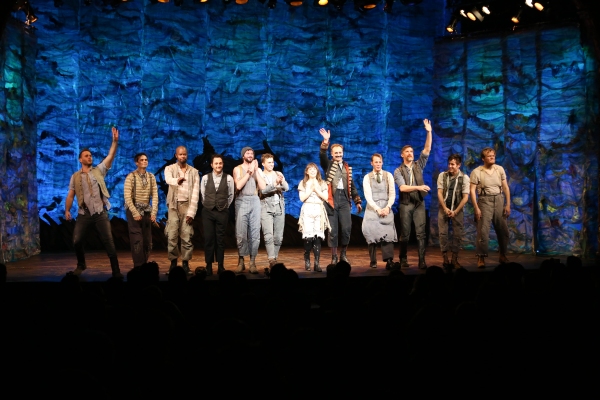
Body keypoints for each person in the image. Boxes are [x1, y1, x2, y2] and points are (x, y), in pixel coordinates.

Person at [64, 126, 122, 278]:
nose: (89, 157)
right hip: (84, 213)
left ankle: (116, 271)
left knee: (109, 241)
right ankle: (81, 264)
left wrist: (115, 141)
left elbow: (110, 155)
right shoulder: (75, 176)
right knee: (76, 240)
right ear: (80, 159)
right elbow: (71, 195)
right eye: (86, 156)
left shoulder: (99, 170)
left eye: (90, 155)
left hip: (99, 212)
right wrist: (67, 210)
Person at [318, 128, 362, 265]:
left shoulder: (347, 167)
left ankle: (343, 254)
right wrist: (325, 141)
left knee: (347, 228)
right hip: (332, 199)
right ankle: (334, 256)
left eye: (340, 152)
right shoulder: (328, 164)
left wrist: (357, 201)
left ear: (343, 153)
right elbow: (322, 156)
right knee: (333, 230)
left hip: (344, 200)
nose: (338, 154)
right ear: (332, 154)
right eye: (335, 152)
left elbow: (352, 186)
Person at [393, 119, 433, 269]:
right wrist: (419, 187)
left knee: (421, 233)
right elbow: (403, 188)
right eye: (407, 152)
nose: (410, 153)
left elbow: (427, 149)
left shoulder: (418, 165)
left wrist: (429, 131)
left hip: (418, 203)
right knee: (405, 234)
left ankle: (422, 260)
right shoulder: (398, 170)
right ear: (402, 154)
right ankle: (403, 259)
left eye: (411, 151)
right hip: (405, 204)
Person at [469, 147, 511, 268]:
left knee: (503, 230)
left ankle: (503, 255)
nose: (492, 157)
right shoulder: (477, 172)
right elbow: (472, 191)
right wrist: (476, 208)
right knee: (483, 231)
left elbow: (506, 187)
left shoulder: (499, 169)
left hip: (498, 199)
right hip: (484, 201)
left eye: (493, 155)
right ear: (483, 158)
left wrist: (507, 204)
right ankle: (481, 257)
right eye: (489, 156)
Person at [165, 146, 200, 275]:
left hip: (187, 205)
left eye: (184, 154)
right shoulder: (170, 168)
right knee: (172, 235)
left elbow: (196, 193)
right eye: (180, 154)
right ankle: (173, 263)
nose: (182, 156)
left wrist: (192, 212)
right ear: (176, 156)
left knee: (187, 236)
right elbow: (168, 179)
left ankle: (185, 263)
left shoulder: (194, 172)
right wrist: (176, 180)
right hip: (174, 206)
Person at [200, 154, 234, 276]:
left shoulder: (229, 178)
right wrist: (208, 205)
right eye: (216, 163)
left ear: (222, 164)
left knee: (220, 240)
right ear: (212, 165)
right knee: (209, 239)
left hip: (222, 212)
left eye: (220, 163)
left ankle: (220, 265)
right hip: (208, 211)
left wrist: (224, 206)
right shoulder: (205, 178)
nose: (218, 165)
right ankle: (208, 265)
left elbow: (231, 195)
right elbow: (203, 195)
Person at [362, 153, 397, 270]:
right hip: (373, 208)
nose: (378, 164)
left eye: (379, 162)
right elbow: (368, 196)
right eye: (375, 162)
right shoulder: (367, 177)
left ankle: (389, 260)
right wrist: (377, 209)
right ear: (371, 163)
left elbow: (392, 193)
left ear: (382, 162)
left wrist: (387, 207)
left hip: (386, 207)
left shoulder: (388, 176)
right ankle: (373, 260)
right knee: (371, 233)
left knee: (388, 233)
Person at [124, 152, 159, 268]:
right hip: (134, 209)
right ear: (136, 162)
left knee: (147, 240)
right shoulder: (131, 176)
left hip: (146, 210)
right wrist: (134, 212)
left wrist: (153, 213)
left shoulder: (151, 177)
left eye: (146, 160)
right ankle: (138, 265)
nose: (144, 161)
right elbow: (127, 197)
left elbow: (155, 196)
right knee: (137, 239)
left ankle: (144, 263)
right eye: (142, 160)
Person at [255, 153, 289, 267]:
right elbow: (263, 190)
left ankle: (274, 258)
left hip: (279, 207)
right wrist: (275, 185)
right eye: (268, 162)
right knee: (268, 235)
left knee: (278, 237)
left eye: (272, 162)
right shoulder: (261, 175)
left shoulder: (278, 173)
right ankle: (271, 259)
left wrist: (281, 181)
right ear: (263, 163)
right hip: (266, 207)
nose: (271, 164)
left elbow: (286, 188)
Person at [437, 153, 470, 269]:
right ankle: (445, 258)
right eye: (449, 164)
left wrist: (455, 211)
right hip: (444, 208)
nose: (450, 166)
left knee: (457, 234)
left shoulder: (464, 178)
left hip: (457, 209)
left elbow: (465, 197)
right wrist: (445, 208)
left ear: (459, 165)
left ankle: (454, 258)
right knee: (443, 234)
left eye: (453, 164)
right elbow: (440, 192)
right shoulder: (443, 175)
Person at [298, 163, 330, 272]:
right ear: (306, 172)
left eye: (314, 169)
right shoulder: (303, 183)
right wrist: (310, 190)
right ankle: (307, 258)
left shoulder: (322, 183)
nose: (312, 171)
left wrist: (317, 190)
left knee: (317, 237)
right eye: (310, 169)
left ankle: (317, 263)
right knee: (309, 237)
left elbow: (325, 197)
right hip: (308, 209)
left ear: (317, 171)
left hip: (319, 210)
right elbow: (302, 198)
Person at [234, 147, 261, 274]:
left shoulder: (257, 170)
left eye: (252, 153)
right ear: (243, 156)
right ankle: (241, 261)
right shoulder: (237, 169)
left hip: (255, 201)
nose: (250, 154)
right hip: (242, 200)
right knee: (241, 233)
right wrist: (249, 172)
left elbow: (262, 187)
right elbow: (238, 186)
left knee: (255, 234)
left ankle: (252, 261)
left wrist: (256, 172)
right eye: (247, 153)